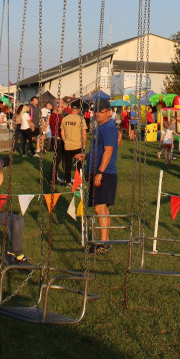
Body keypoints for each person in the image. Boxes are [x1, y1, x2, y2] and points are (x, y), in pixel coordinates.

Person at [75, 102, 119, 252]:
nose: (96, 114)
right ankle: (105, 242)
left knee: (100, 207)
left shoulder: (108, 128)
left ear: (108, 112)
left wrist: (100, 172)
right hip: (99, 171)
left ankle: (103, 243)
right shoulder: (100, 127)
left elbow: (108, 151)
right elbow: (99, 149)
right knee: (103, 208)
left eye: (100, 111)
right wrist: (86, 156)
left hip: (105, 173)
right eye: (95, 111)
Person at [55, 104, 86, 186]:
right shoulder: (80, 119)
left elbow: (62, 132)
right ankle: (78, 181)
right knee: (78, 164)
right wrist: (84, 143)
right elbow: (84, 133)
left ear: (71, 109)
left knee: (68, 164)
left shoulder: (65, 119)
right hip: (77, 144)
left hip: (68, 145)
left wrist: (65, 141)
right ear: (78, 110)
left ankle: (68, 181)